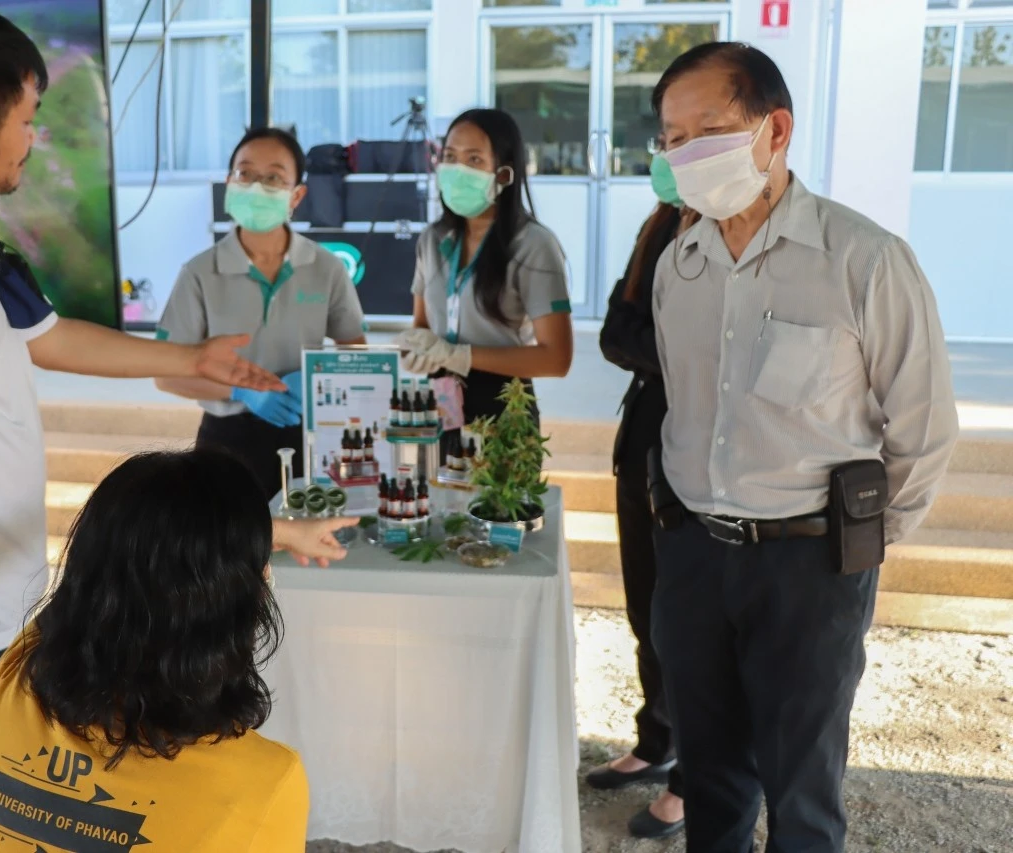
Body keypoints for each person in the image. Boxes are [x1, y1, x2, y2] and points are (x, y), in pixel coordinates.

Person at [0, 4, 350, 851]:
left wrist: (197, 359)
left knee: (14, 797)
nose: (32, 141)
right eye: (28, 120)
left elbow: (45, 336)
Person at [648, 43, 958, 852]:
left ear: (773, 128)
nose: (687, 155)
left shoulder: (866, 259)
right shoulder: (679, 264)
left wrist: (859, 550)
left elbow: (923, 429)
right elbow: (686, 409)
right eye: (673, 139)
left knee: (803, 788)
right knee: (710, 778)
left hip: (809, 562)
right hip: (695, 558)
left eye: (708, 130)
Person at [0, 448, 322, 852]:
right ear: (238, 604)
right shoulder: (262, 784)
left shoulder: (17, 675)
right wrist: (245, 547)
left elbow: (103, 580)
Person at [156, 127, 367, 493]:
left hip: (310, 434)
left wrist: (319, 381)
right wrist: (241, 391)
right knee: (225, 543)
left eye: (273, 178)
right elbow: (167, 375)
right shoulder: (200, 272)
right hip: (226, 439)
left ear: (296, 195)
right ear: (229, 182)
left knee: (306, 538)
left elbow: (356, 354)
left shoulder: (326, 267)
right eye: (245, 173)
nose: (256, 186)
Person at [590, 162, 697, 839]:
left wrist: (652, 341)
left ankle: (693, 779)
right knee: (644, 608)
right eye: (665, 140)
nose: (669, 155)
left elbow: (704, 348)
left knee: (687, 623)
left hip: (693, 455)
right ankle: (657, 740)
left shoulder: (731, 234)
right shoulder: (658, 225)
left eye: (686, 140)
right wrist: (658, 343)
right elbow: (613, 332)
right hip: (643, 445)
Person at [396, 108, 573, 459]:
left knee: (496, 509)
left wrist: (461, 356)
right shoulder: (433, 240)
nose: (457, 169)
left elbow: (556, 359)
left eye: (474, 159)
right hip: (440, 405)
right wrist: (415, 350)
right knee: (436, 508)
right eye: (449, 157)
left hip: (504, 406)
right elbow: (422, 326)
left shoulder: (533, 245)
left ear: (505, 173)